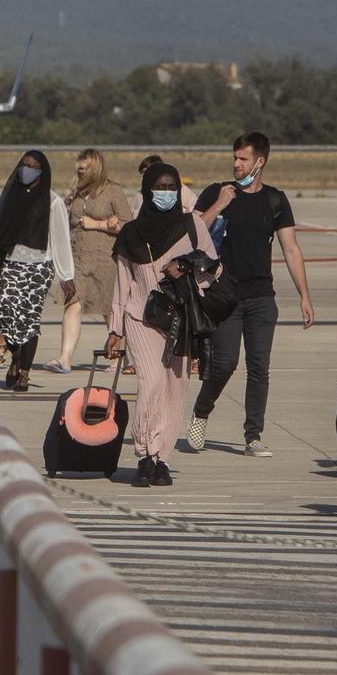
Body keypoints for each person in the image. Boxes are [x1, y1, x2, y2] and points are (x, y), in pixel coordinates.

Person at [186, 133, 316, 456]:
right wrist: (220, 204)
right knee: (225, 363)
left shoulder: (275, 201)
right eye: (234, 158)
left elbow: (291, 249)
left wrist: (304, 295)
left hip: (261, 296)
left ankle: (252, 435)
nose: (236, 164)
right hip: (225, 295)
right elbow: (192, 232)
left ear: (260, 162)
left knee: (259, 366)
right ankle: (202, 410)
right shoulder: (217, 193)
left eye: (243, 159)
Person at [106, 162, 217, 488]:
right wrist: (115, 329)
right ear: (146, 190)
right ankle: (144, 454)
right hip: (141, 316)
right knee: (152, 382)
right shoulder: (130, 234)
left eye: (172, 188)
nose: (166, 193)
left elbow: (213, 267)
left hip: (181, 318)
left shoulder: (192, 225)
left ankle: (162, 458)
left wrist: (186, 266)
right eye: (160, 187)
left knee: (174, 388)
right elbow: (122, 283)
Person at [0, 150, 74, 392]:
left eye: (33, 166)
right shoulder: (10, 197)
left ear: (43, 171)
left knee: (29, 320)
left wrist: (67, 276)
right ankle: (17, 356)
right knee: (8, 317)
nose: (27, 170)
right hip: (11, 263)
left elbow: (61, 240)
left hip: (39, 267)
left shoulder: (53, 202)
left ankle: (24, 373)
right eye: (24, 165)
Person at [53, 149, 134, 374]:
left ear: (95, 168)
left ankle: (119, 357)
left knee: (111, 309)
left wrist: (99, 224)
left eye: (84, 168)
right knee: (73, 303)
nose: (80, 172)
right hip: (78, 258)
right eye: (78, 168)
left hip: (106, 258)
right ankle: (64, 358)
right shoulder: (77, 192)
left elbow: (128, 225)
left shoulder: (112, 191)